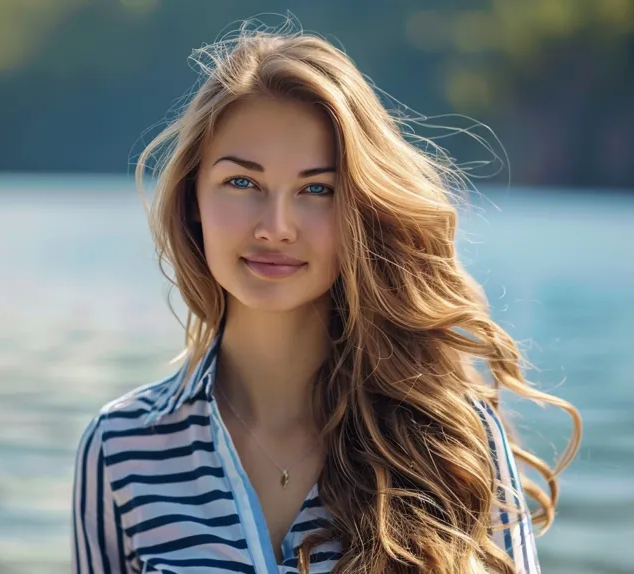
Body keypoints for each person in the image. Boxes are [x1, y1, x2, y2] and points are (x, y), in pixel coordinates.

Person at [71, 22, 581, 574]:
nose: (276, 226)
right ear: (194, 198)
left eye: (317, 189)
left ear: (360, 210)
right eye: (242, 183)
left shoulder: (452, 439)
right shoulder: (122, 449)